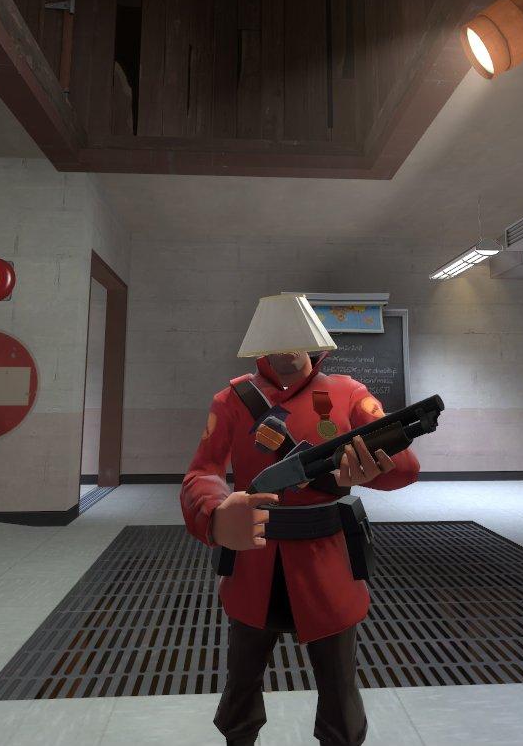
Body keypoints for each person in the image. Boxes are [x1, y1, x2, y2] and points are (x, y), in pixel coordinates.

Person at [180, 294, 420, 746]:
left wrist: (372, 467)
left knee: (340, 691)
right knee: (241, 685)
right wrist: (216, 513)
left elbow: (406, 464)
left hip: (327, 562)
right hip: (254, 559)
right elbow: (202, 472)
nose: (287, 348)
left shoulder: (349, 393)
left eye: (296, 337)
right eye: (277, 338)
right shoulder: (232, 399)